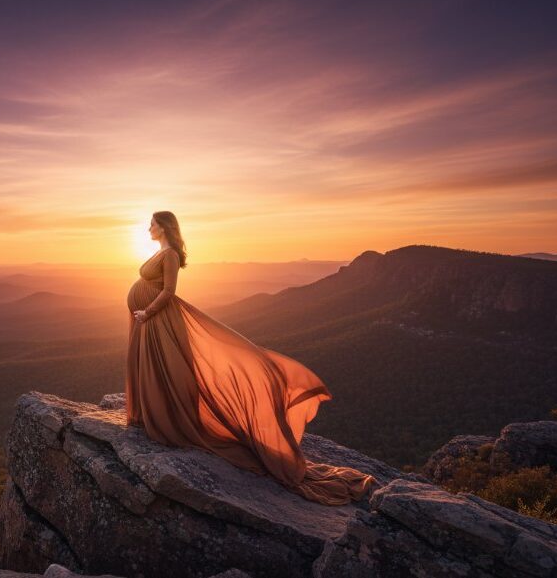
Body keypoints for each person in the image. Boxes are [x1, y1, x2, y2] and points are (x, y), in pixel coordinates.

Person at [125, 211, 380, 505]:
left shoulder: (169, 255)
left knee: (166, 371)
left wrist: (148, 312)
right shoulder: (160, 252)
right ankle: (151, 414)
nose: (149, 229)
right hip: (151, 320)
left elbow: (169, 291)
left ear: (165, 227)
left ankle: (169, 419)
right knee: (154, 369)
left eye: (153, 224)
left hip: (159, 320)